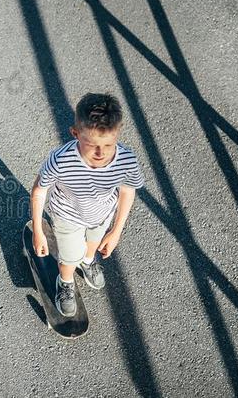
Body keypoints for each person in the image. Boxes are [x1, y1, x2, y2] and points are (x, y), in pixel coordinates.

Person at [30, 93, 144, 316]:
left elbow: (128, 191)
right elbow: (39, 190)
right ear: (75, 134)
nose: (101, 153)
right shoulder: (61, 160)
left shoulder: (127, 160)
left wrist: (116, 231)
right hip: (68, 215)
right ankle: (65, 282)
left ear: (117, 133)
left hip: (102, 214)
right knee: (69, 257)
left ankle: (88, 261)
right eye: (92, 145)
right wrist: (38, 230)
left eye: (109, 144)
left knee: (92, 244)